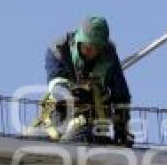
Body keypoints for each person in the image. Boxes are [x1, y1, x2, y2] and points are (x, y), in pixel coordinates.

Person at [39, 15, 133, 146]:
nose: (92, 53)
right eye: (88, 48)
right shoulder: (59, 49)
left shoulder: (109, 56)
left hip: (94, 125)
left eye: (97, 49)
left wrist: (121, 129)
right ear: (79, 41)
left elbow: (121, 96)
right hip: (60, 117)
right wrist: (72, 94)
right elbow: (56, 84)